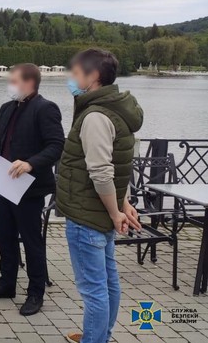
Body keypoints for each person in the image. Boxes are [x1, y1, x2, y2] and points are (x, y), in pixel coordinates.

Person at [56, 49, 143, 343]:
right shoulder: (117, 110)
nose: (71, 78)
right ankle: (99, 335)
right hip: (100, 212)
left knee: (94, 288)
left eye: (75, 73)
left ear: (93, 76)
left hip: (87, 216)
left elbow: (102, 172)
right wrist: (122, 204)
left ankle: (95, 339)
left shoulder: (95, 116)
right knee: (107, 281)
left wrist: (117, 211)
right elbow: (120, 165)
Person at [0, 63, 64, 316]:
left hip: (29, 188)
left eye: (14, 81)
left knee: (32, 241)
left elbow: (56, 146)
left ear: (29, 83)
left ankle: (35, 293)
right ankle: (7, 284)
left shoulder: (45, 108)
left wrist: (30, 163)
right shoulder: (6, 108)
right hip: (2, 183)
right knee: (5, 236)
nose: (10, 85)